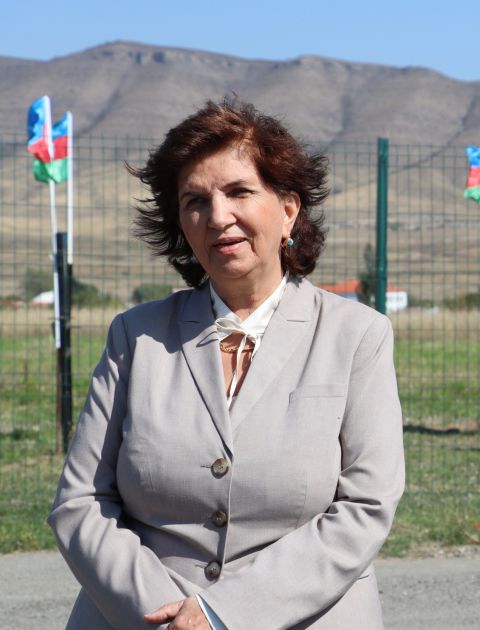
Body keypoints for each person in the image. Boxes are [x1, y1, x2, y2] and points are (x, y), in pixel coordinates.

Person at [48, 98, 405, 629]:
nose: (217, 217)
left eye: (239, 192)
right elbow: (80, 503)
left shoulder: (357, 337)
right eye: (195, 201)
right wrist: (168, 618)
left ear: (288, 209)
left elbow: (366, 507)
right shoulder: (135, 337)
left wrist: (221, 614)